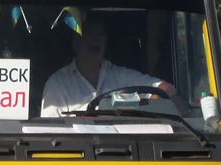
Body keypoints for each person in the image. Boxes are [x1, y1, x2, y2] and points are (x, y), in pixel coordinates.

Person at [41, 14, 187, 116]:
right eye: (89, 35)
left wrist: (151, 105)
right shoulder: (58, 84)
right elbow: (50, 135)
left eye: (100, 36)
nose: (95, 42)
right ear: (76, 43)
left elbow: (167, 88)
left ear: (106, 42)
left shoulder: (121, 76)